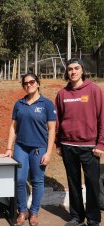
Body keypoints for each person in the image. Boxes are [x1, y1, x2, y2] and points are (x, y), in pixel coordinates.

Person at [55, 58, 104, 226]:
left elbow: (102, 118)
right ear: (67, 72)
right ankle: (77, 217)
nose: (73, 72)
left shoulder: (94, 90)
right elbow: (58, 120)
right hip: (68, 146)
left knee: (92, 185)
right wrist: (58, 143)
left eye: (76, 68)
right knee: (73, 183)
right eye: (70, 69)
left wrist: (101, 144)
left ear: (83, 70)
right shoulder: (62, 94)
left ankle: (93, 219)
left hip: (90, 148)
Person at [4, 73, 56, 226]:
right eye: (25, 83)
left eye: (32, 82)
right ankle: (22, 211)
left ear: (38, 83)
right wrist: (9, 148)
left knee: (37, 181)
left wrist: (49, 152)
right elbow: (13, 127)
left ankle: (34, 212)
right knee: (20, 180)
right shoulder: (19, 104)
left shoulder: (46, 104)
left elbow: (52, 130)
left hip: (39, 148)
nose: (29, 85)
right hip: (21, 147)